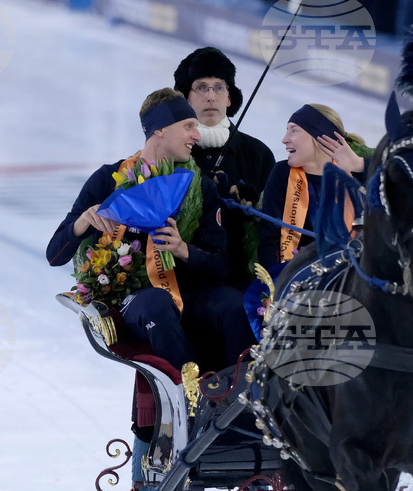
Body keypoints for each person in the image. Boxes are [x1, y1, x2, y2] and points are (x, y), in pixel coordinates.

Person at [46, 87, 256, 372]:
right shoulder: (109, 179)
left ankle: (240, 396)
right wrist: (82, 222)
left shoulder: (201, 187)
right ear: (159, 130)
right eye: (188, 126)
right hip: (133, 298)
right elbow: (54, 255)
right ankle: (192, 395)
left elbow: (220, 266)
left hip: (189, 295)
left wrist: (185, 251)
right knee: (157, 303)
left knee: (234, 303)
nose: (198, 135)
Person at [173, 46, 275, 290]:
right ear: (185, 96)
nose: (211, 96)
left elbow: (273, 228)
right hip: (179, 281)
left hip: (241, 282)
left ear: (230, 98)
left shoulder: (258, 154)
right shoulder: (170, 152)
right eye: (201, 87)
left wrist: (252, 209)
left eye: (219, 87)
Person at [258, 104, 368, 269]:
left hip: (348, 278)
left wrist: (359, 165)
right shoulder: (283, 173)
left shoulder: (360, 175)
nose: (284, 139)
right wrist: (281, 282)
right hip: (294, 278)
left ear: (320, 137)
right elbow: (269, 240)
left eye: (294, 131)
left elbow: (409, 177)